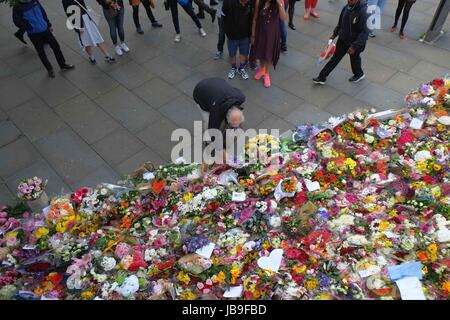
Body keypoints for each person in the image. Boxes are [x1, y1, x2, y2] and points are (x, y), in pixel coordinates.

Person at [12, 0, 75, 79]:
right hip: (34, 34)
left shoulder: (35, 1)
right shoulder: (17, 7)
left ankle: (62, 64)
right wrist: (29, 27)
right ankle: (49, 69)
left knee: (56, 47)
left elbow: (43, 12)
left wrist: (48, 24)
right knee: (41, 52)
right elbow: (17, 21)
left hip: (45, 30)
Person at [313, 0, 369, 85]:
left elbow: (364, 33)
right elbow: (341, 23)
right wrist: (335, 33)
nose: (349, 0)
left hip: (355, 42)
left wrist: (354, 46)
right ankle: (322, 77)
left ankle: (359, 74)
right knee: (335, 58)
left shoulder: (364, 12)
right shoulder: (346, 7)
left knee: (354, 59)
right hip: (343, 38)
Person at [193, 77, 245, 163]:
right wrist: (223, 152)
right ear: (227, 118)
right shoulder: (215, 113)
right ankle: (208, 142)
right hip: (200, 92)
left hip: (218, 84)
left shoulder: (241, 97)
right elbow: (213, 131)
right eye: (232, 124)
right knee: (207, 121)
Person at [62, 0, 116, 64]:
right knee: (86, 40)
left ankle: (107, 55)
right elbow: (69, 13)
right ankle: (92, 57)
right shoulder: (65, 1)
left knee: (96, 37)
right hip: (79, 22)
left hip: (86, 18)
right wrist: (77, 27)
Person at [251, 0, 286, 88]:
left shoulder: (279, 2)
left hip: (272, 33)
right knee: (261, 51)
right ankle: (262, 68)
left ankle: (267, 74)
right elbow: (255, 18)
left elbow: (283, 18)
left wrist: (279, 4)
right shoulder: (259, 1)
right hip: (261, 31)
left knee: (269, 53)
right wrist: (253, 34)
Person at [223, 0, 253, 80]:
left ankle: (241, 68)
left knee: (244, 53)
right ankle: (233, 68)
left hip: (245, 35)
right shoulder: (228, 3)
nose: (246, 2)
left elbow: (252, 19)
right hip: (232, 35)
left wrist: (251, 34)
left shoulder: (250, 4)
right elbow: (223, 16)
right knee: (232, 53)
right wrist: (227, 31)